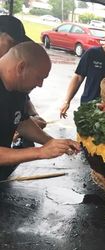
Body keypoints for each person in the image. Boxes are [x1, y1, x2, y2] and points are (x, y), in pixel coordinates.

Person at [0, 42, 81, 180]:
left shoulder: (17, 88)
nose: (40, 84)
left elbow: (21, 121)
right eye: (39, 78)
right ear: (21, 67)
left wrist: (52, 142)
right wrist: (41, 152)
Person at [0, 15, 47, 147]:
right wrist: (41, 152)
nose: (14, 50)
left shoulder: (15, 82)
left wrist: (33, 115)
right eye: (12, 43)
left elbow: (20, 116)